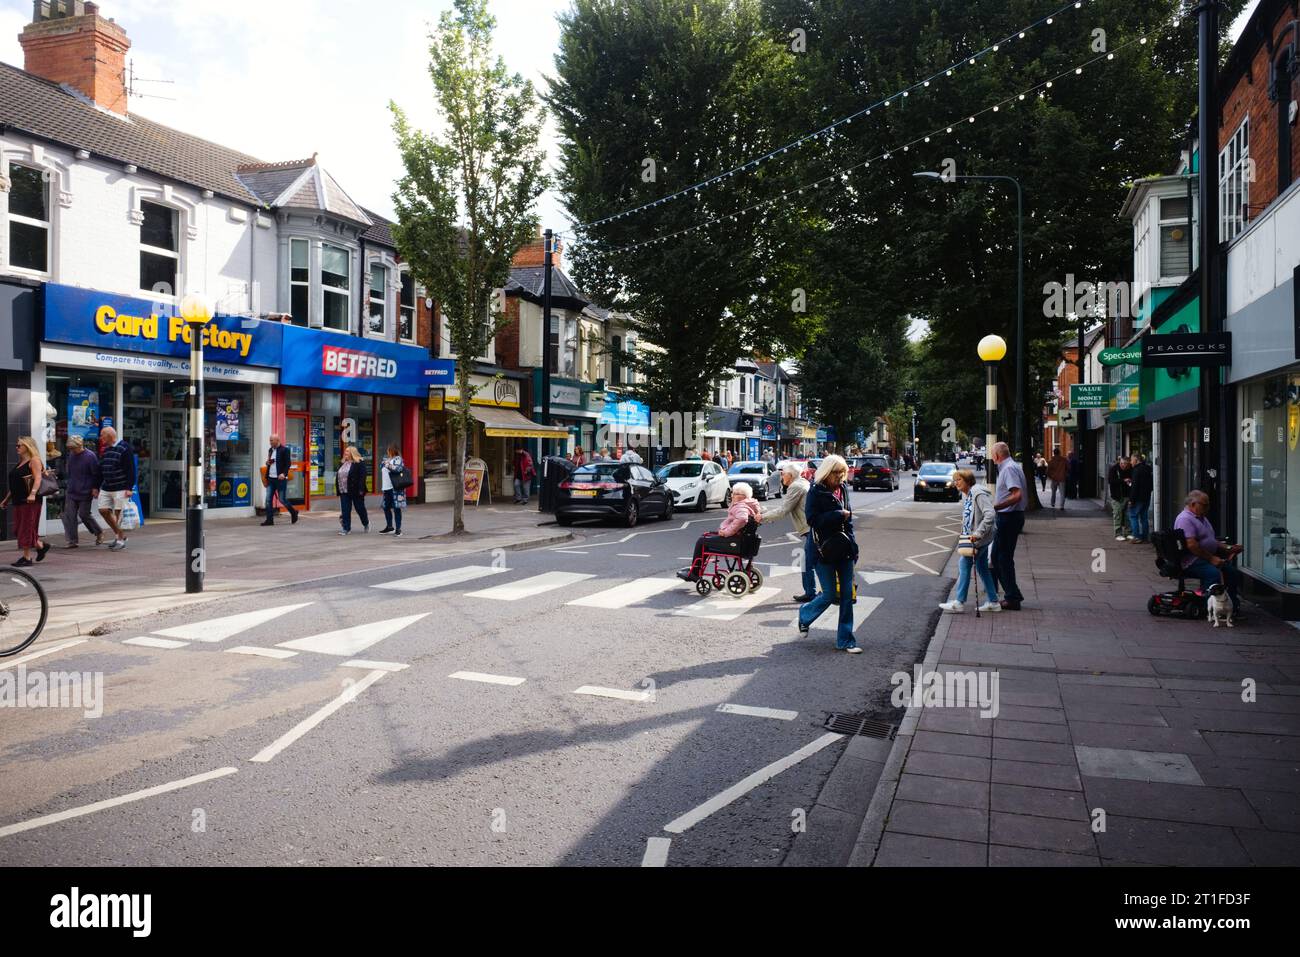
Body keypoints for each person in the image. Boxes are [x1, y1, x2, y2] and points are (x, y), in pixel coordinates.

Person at [797, 455, 861, 652]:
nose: (841, 476)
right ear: (826, 472)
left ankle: (846, 640)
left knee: (847, 596)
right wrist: (837, 515)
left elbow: (848, 521)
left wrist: (854, 545)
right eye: (837, 472)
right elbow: (812, 520)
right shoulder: (815, 492)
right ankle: (805, 615)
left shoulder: (842, 489)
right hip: (822, 549)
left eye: (843, 472)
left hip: (844, 548)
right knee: (829, 594)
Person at [1174, 490, 1244, 620]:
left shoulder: (1201, 518)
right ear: (1193, 504)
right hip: (1192, 560)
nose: (1207, 508)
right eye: (1204, 505)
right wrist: (1212, 559)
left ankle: (1231, 606)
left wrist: (1229, 548)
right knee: (1213, 574)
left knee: (1232, 572)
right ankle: (1208, 608)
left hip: (1203, 557)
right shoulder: (1185, 519)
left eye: (1208, 505)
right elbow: (1192, 545)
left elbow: (1211, 540)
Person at [939, 469, 1000, 613]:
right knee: (982, 568)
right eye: (955, 480)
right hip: (976, 538)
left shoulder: (977, 493)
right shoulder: (968, 494)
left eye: (959, 480)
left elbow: (990, 514)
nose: (956, 483)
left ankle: (959, 602)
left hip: (980, 538)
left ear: (967, 480)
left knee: (964, 565)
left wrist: (978, 533)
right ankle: (993, 601)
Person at [678, 482, 761, 582]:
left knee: (702, 541)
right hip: (741, 539)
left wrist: (726, 532)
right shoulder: (751, 505)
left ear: (741, 496)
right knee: (707, 538)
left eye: (734, 493)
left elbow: (742, 519)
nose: (732, 495)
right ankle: (696, 569)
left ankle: (695, 572)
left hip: (733, 539)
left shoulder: (741, 506)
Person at [759, 461, 815, 602]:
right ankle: (813, 592)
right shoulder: (802, 482)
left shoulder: (795, 486)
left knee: (808, 562)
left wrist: (762, 517)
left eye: (783, 474)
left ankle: (814, 593)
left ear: (790, 475)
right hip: (813, 528)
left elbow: (783, 510)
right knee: (813, 561)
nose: (781, 477)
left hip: (811, 529)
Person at [2, 436, 52, 566]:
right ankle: (41, 546)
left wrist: (33, 494)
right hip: (19, 501)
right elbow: (15, 485)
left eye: (20, 445)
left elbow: (38, 478)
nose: (17, 447)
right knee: (19, 529)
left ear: (28, 446)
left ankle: (27, 558)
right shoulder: (20, 463)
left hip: (30, 501)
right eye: (17, 445)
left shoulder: (34, 460)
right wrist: (6, 499)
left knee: (26, 528)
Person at [989, 441, 1027, 611]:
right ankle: (1013, 595)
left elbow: (1017, 494)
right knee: (998, 558)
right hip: (1010, 517)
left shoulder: (1009, 469)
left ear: (997, 456)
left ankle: (1012, 597)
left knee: (1002, 558)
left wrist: (995, 506)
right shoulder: (1011, 466)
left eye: (992, 454)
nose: (992, 458)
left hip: (1009, 518)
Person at [97, 426, 136, 551]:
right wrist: (95, 486)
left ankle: (119, 539)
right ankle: (121, 535)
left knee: (119, 514)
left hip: (121, 486)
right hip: (107, 486)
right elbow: (101, 468)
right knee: (103, 510)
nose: (101, 437)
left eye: (102, 435)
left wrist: (129, 487)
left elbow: (131, 469)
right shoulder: (107, 449)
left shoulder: (125, 448)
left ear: (109, 436)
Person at [61, 435, 104, 548]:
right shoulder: (71, 455)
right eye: (70, 448)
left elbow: (96, 474)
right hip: (72, 490)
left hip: (85, 490)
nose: (71, 451)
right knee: (70, 515)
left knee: (84, 515)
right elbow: (70, 471)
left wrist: (95, 488)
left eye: (73, 448)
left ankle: (98, 532)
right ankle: (73, 541)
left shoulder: (90, 456)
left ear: (80, 446)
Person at [261, 433, 299, 526]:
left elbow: (288, 464)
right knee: (268, 500)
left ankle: (293, 512)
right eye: (270, 440)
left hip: (280, 479)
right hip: (271, 478)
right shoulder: (270, 450)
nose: (270, 442)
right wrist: (268, 462)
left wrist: (284, 474)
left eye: (271, 440)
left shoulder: (285, 450)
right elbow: (271, 462)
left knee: (282, 499)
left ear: (277, 441)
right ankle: (269, 520)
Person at [337, 446, 369, 535]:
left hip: (356, 490)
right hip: (343, 490)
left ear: (352, 453)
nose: (345, 453)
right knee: (345, 510)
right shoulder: (343, 462)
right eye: (345, 451)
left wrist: (361, 489)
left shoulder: (359, 462)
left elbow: (363, 477)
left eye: (347, 451)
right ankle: (346, 528)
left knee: (360, 508)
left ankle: (365, 523)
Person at [379, 443, 406, 536]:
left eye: (388, 450)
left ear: (392, 450)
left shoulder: (398, 459)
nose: (387, 451)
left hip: (395, 488)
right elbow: (381, 468)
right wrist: (384, 463)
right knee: (386, 507)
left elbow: (398, 469)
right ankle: (389, 527)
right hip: (386, 487)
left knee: (396, 508)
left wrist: (388, 465)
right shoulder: (388, 459)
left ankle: (398, 529)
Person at [1128, 453, 1153, 544]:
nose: (1130, 462)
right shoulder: (1147, 468)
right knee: (1144, 517)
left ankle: (1136, 536)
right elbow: (1151, 485)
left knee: (1133, 516)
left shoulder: (1136, 470)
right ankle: (1145, 537)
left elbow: (1135, 487)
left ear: (1136, 459)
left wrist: (1131, 500)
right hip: (1146, 497)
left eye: (1131, 460)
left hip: (1138, 498)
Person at [1106, 456, 1133, 541]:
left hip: (1127, 496)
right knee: (1117, 515)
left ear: (1128, 463)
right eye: (1121, 463)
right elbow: (1111, 481)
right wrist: (1123, 480)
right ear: (1119, 462)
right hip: (1117, 497)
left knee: (1127, 516)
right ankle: (1118, 533)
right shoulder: (1114, 469)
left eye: (1125, 463)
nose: (1123, 465)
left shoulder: (1130, 469)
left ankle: (1128, 533)